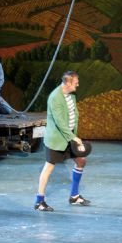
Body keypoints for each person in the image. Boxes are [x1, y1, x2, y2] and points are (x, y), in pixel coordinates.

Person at [35, 71, 90, 211]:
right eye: (76, 82)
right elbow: (60, 123)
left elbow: (73, 115)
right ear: (68, 82)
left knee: (81, 161)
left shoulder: (71, 95)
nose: (78, 85)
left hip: (69, 137)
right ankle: (39, 201)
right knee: (49, 167)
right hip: (57, 139)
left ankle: (74, 196)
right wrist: (74, 138)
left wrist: (73, 136)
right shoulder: (55, 98)